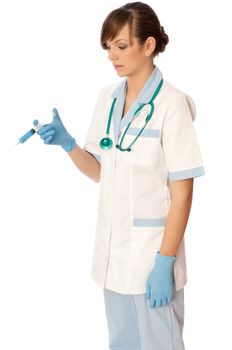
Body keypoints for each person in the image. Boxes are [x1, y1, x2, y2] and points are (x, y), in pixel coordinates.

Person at [33, 2, 205, 349]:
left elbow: (183, 191)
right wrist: (69, 146)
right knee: (122, 344)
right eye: (108, 46)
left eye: (121, 45)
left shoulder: (173, 105)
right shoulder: (107, 100)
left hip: (152, 256)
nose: (112, 55)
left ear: (149, 45)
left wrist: (165, 262)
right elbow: (99, 171)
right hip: (113, 257)